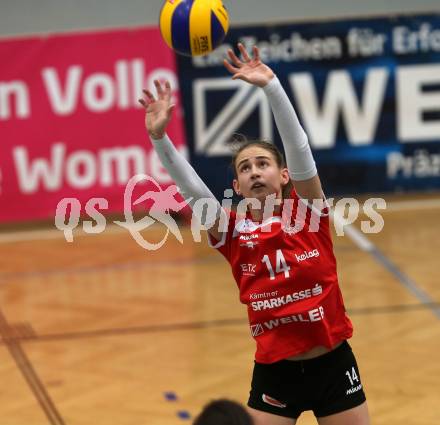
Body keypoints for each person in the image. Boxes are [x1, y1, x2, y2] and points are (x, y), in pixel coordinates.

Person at [139, 43, 370, 425]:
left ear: (283, 177)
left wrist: (272, 88)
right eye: (246, 168)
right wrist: (160, 139)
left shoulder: (308, 214)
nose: (255, 171)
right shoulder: (230, 230)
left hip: (332, 363)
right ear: (238, 186)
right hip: (275, 373)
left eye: (263, 163)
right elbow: (194, 191)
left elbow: (299, 150)